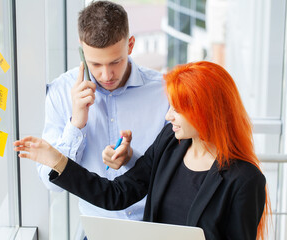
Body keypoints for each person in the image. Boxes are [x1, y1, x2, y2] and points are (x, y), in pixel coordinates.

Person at [15, 61, 270, 240]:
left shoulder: (245, 180)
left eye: (178, 109)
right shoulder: (171, 142)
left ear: (206, 113)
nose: (168, 116)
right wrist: (58, 161)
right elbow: (116, 194)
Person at [37, 0, 169, 222]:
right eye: (95, 64)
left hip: (156, 224)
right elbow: (51, 183)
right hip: (97, 228)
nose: (107, 75)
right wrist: (76, 124)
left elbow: (175, 173)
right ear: (81, 50)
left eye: (115, 62)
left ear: (130, 45)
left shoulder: (163, 92)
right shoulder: (60, 92)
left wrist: (132, 159)